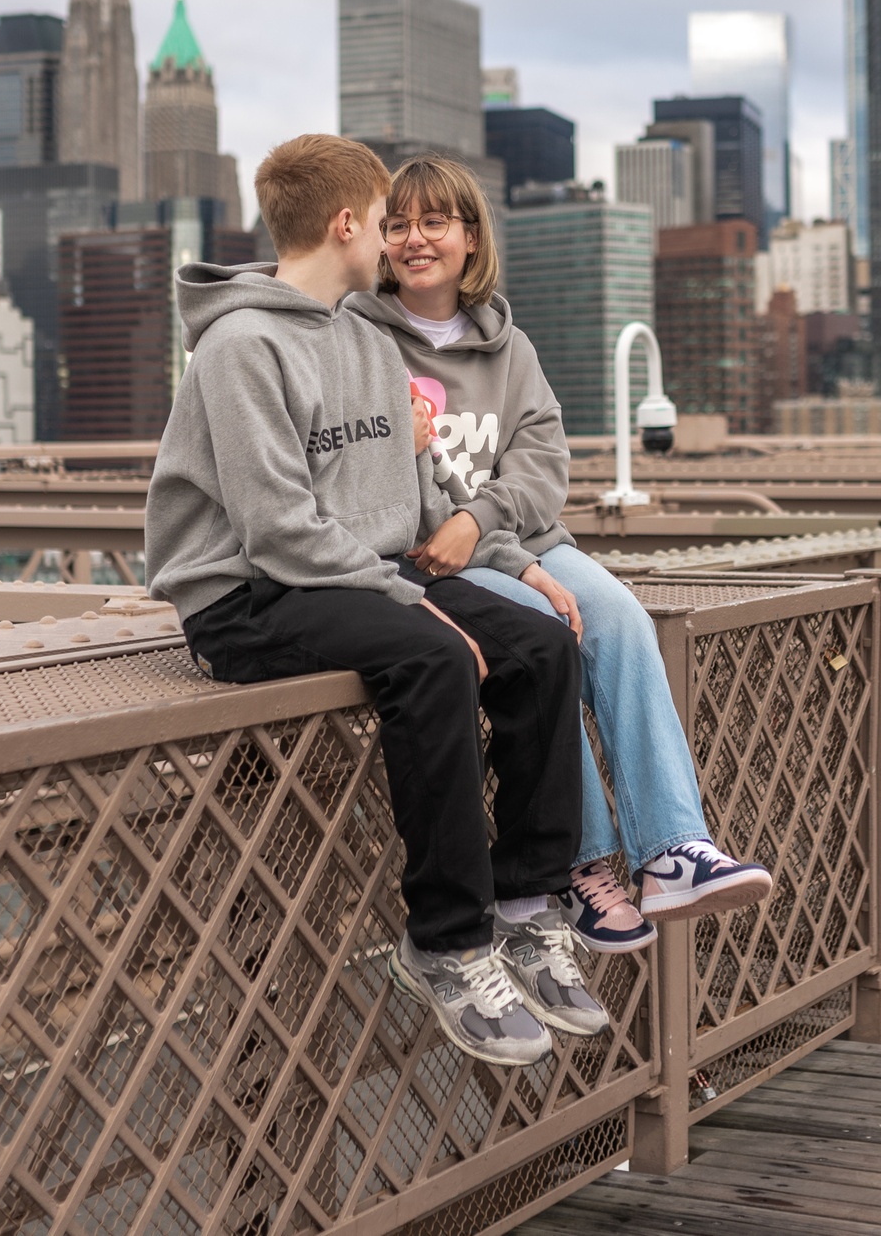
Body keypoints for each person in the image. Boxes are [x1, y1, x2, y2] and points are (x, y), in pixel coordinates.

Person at [147, 134, 604, 1066]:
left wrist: (520, 569)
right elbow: (276, 531)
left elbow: (427, 490)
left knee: (542, 647)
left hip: (362, 569)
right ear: (348, 223)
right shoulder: (239, 346)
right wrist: (412, 601)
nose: (396, 238)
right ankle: (445, 940)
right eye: (385, 218)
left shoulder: (362, 337)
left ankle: (527, 902)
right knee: (431, 655)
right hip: (244, 597)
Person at [346, 155, 773, 956]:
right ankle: (580, 862)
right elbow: (368, 470)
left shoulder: (512, 349)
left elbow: (543, 467)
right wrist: (464, 531)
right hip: (430, 554)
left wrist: (484, 519)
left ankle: (674, 846)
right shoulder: (360, 340)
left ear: (470, 237)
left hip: (520, 539)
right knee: (543, 637)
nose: (413, 238)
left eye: (434, 221)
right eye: (397, 223)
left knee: (617, 613)